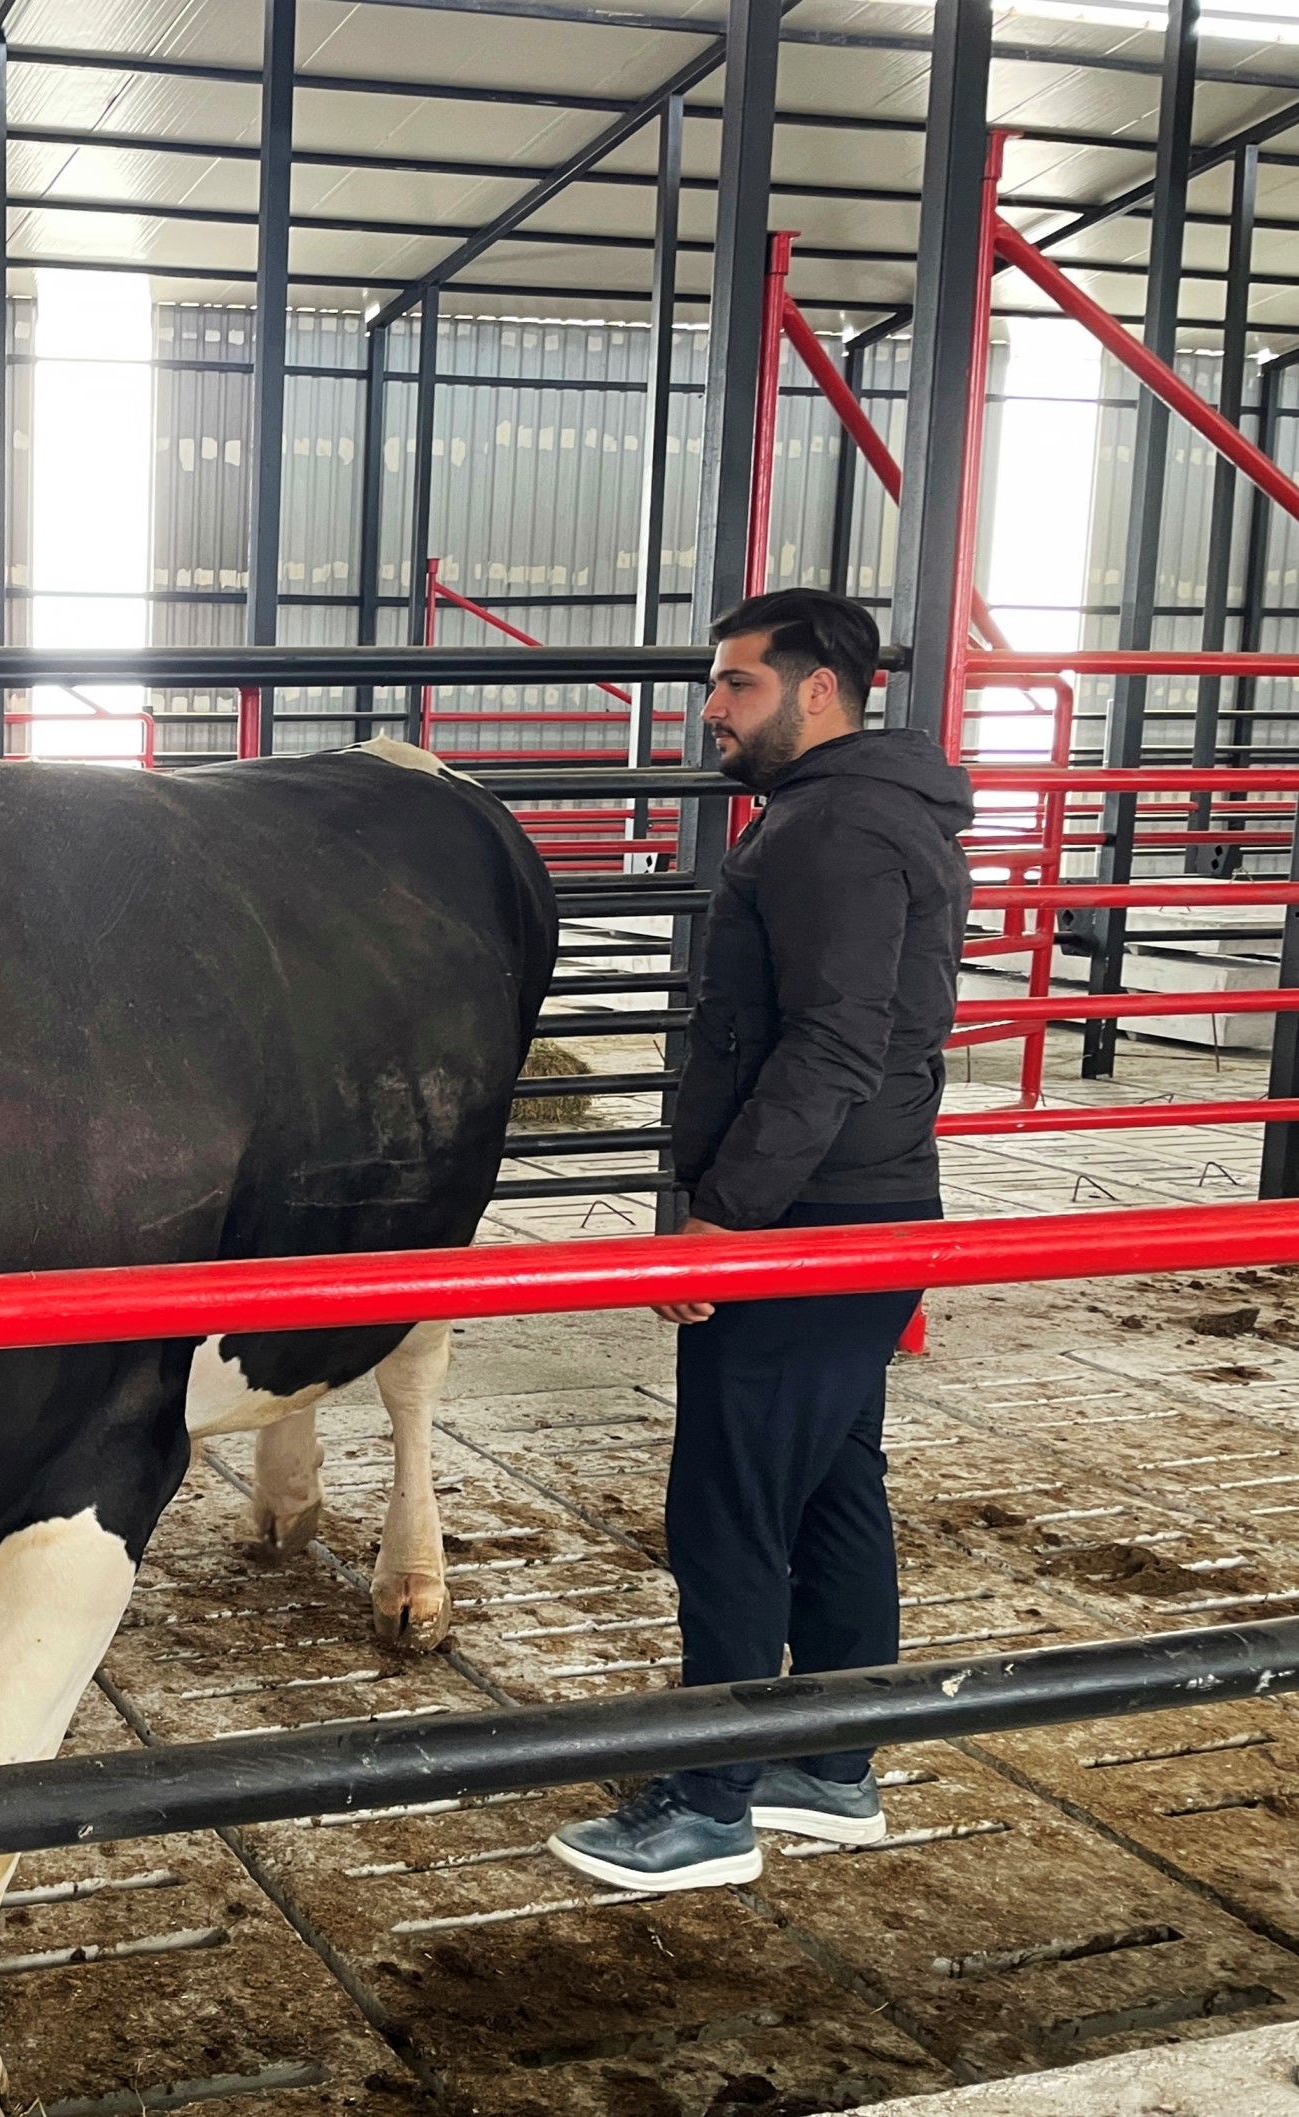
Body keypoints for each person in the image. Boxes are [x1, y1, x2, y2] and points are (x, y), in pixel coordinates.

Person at [548, 588, 973, 1893]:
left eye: (735, 685)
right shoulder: (860, 812)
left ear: (818, 690)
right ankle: (831, 1761)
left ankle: (705, 1804)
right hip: (864, 1207)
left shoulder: (833, 829)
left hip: (803, 1224)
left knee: (726, 1503)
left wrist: (723, 1217)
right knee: (834, 1481)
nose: (711, 710)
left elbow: (831, 1042)